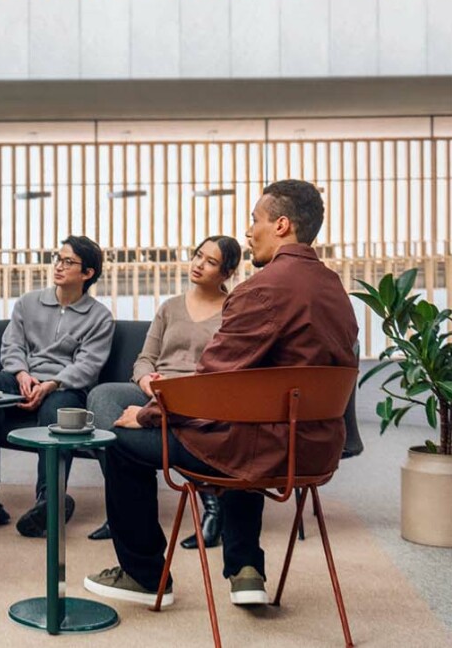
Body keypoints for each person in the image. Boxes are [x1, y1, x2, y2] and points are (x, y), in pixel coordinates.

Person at [85, 180, 359, 608]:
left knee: (117, 437)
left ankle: (143, 575)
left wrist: (144, 416)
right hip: (314, 448)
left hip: (264, 450)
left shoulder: (261, 289)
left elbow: (209, 382)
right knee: (243, 424)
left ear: (281, 224)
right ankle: (246, 566)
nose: (249, 231)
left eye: (256, 220)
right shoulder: (334, 289)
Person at [86, 235, 243, 544]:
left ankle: (207, 503)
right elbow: (145, 358)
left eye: (210, 262)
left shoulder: (234, 312)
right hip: (155, 391)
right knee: (101, 397)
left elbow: (226, 372)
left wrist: (173, 394)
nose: (198, 264)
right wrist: (146, 382)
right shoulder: (170, 307)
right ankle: (128, 504)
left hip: (198, 398)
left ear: (226, 273)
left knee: (136, 432)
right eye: (198, 255)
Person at [0, 235, 114, 536]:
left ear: (87, 274)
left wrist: (51, 384)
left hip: (65, 385)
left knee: (57, 411)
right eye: (58, 259)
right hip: (24, 377)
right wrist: (21, 374)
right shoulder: (28, 303)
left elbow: (88, 366)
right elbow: (12, 345)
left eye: (68, 262)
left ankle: (49, 499)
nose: (59, 266)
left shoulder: (99, 317)